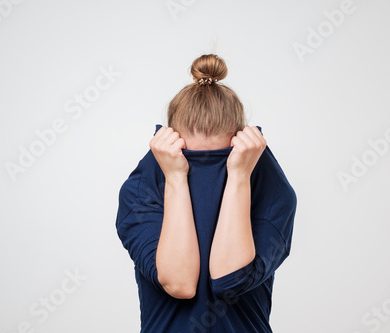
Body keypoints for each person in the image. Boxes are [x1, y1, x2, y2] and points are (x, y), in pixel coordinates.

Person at [115, 54, 297, 332]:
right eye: (191, 160)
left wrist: (238, 176)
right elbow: (179, 283)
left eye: (220, 161)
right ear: (167, 149)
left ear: (242, 150)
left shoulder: (272, 193)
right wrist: (176, 177)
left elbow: (230, 280)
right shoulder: (141, 192)